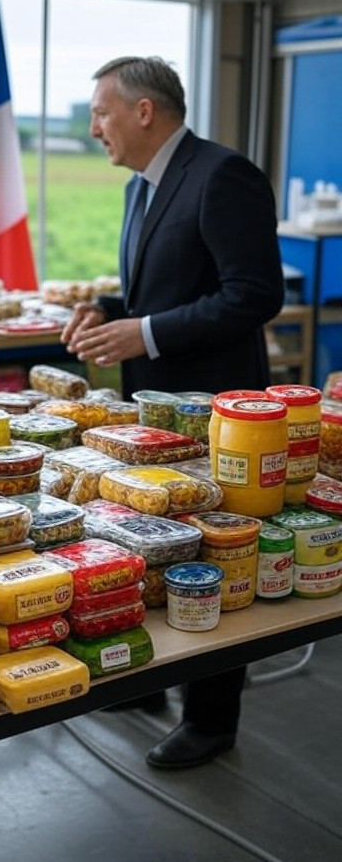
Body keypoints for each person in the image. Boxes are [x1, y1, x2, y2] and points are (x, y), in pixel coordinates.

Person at [61, 56, 285, 770]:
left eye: (101, 113)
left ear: (144, 111)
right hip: (154, 411)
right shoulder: (142, 185)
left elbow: (255, 295)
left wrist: (147, 333)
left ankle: (212, 719)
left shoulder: (223, 175)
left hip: (215, 412)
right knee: (155, 542)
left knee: (212, 548)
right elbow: (165, 291)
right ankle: (154, 680)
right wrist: (110, 312)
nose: (94, 128)